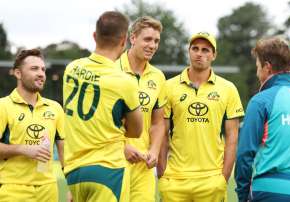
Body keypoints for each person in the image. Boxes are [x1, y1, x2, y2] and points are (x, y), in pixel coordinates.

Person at [63, 11, 143, 202]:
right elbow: (136, 131)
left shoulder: (71, 69)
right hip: (108, 171)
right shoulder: (124, 82)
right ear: (124, 41)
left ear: (94, 36)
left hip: (74, 172)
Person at [157, 32, 244, 202]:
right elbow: (162, 133)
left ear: (214, 55)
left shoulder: (228, 88)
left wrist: (223, 178)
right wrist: (162, 172)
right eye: (195, 48)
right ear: (189, 51)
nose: (199, 53)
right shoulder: (168, 87)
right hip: (175, 180)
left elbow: (232, 137)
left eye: (205, 50)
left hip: (211, 179)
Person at [234, 37, 290, 202]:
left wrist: (243, 195)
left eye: (258, 67)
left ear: (267, 67)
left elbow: (245, 153)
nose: (257, 72)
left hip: (269, 191)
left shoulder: (261, 100)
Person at [0, 49, 65, 202]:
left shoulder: (55, 108)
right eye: (34, 69)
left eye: (43, 69)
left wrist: (72, 186)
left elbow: (64, 153)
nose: (41, 73)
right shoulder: (3, 106)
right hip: (13, 189)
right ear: (18, 73)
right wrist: (22, 149)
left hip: (49, 190)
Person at [115, 16, 166, 202]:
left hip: (144, 165)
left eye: (156, 41)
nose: (152, 45)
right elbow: (98, 121)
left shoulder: (158, 77)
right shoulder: (111, 70)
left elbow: (158, 122)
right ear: (132, 38)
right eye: (147, 39)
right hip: (113, 161)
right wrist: (123, 147)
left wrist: (154, 150)